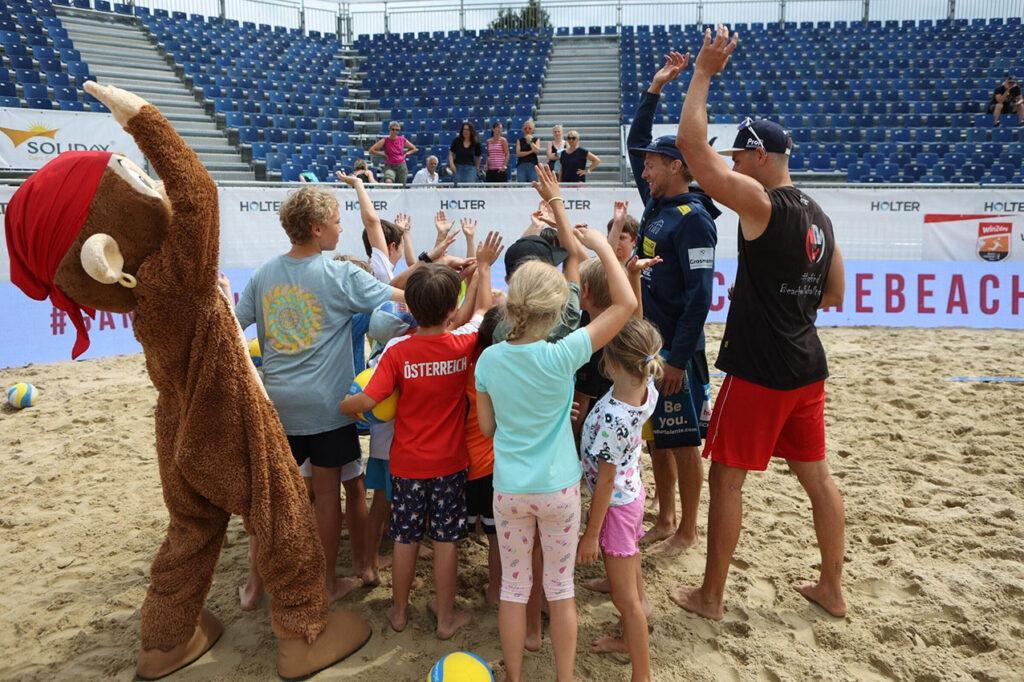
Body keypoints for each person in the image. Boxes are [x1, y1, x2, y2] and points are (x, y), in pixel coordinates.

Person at [671, 25, 848, 621]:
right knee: (817, 479)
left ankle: (711, 597)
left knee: (727, 481)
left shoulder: (763, 204)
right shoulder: (820, 216)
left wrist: (702, 74)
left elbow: (693, 151)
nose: (735, 165)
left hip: (760, 368)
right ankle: (832, 587)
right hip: (806, 364)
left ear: (761, 158)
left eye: (741, 156)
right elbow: (834, 295)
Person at [474, 165, 637, 682]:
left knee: (514, 590)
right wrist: (603, 247)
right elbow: (627, 304)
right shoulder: (563, 352)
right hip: (558, 486)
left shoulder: (490, 360)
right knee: (560, 589)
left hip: (511, 486)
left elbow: (486, 430)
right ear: (550, 310)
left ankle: (516, 676)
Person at [234, 186, 403, 605]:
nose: (340, 227)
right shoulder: (339, 273)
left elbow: (234, 329)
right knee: (328, 497)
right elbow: (398, 299)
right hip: (330, 407)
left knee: (273, 498)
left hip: (279, 405)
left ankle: (255, 587)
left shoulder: (263, 274)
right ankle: (327, 584)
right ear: (315, 228)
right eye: (334, 221)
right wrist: (448, 282)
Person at [341, 233, 504, 640]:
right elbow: (481, 311)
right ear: (450, 309)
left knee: (405, 537)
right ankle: (446, 618)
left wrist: (343, 404)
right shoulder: (464, 343)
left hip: (407, 464)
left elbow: (366, 401)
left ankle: (398, 612)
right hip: (450, 463)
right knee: (447, 541)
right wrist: (482, 266)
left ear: (409, 307)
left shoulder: (397, 350)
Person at [626, 50, 721, 556]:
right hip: (651, 346)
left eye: (652, 165)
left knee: (684, 441)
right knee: (659, 436)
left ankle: (687, 530)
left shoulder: (693, 218)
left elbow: (701, 297)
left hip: (678, 355)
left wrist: (679, 360)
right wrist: (655, 88)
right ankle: (664, 518)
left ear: (676, 166)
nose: (643, 170)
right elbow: (635, 142)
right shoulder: (659, 206)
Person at [577, 318, 662, 679]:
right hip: (632, 493)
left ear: (611, 363)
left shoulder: (615, 418)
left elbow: (606, 483)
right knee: (632, 579)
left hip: (615, 507)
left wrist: (591, 534)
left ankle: (641, 672)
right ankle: (629, 638)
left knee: (625, 600)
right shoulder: (645, 385)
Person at [464, 306, 506, 606]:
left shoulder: (465, 365)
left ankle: (446, 597)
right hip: (491, 470)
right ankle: (494, 591)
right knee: (497, 538)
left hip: (460, 468)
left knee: (451, 538)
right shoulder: (506, 376)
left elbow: (474, 320)